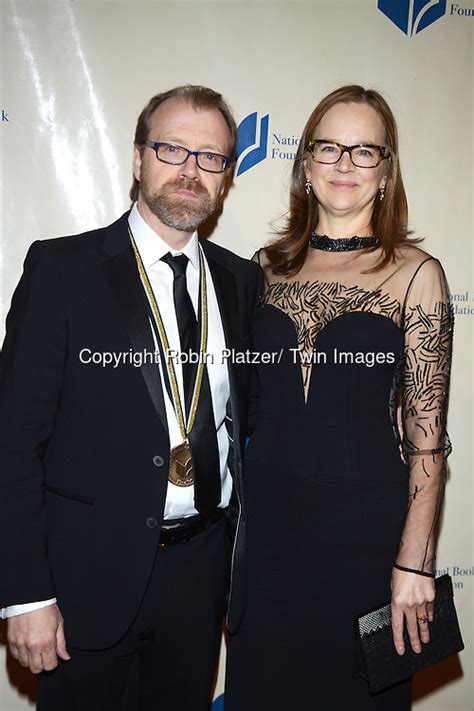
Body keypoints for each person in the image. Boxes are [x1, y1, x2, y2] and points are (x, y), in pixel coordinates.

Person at [0, 84, 262, 711]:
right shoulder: (62, 271)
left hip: (201, 577)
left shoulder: (242, 281)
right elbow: (13, 442)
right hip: (84, 581)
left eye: (211, 157)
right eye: (172, 149)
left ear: (227, 176)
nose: (189, 170)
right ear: (139, 158)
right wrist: (27, 595)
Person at [225, 85, 453, 710]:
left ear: (386, 170)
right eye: (329, 147)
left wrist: (414, 561)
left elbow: (426, 433)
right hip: (267, 542)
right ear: (304, 164)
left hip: (364, 541)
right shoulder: (262, 269)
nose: (345, 164)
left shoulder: (415, 274)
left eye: (364, 150)